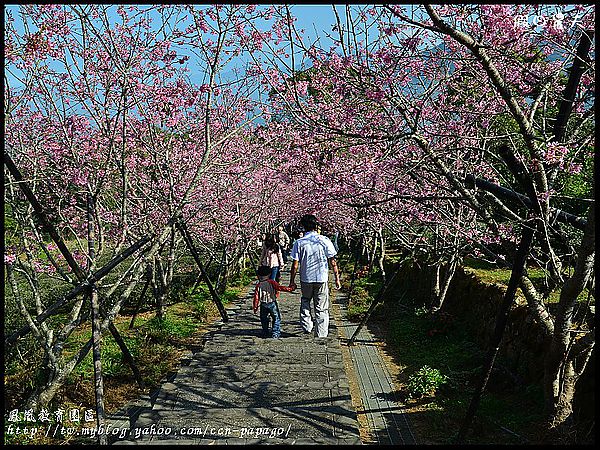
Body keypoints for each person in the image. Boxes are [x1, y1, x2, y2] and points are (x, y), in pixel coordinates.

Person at [289, 214, 341, 338]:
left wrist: (292, 280)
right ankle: (321, 334)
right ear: (316, 225)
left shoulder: (299, 243)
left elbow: (295, 265)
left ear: (303, 226)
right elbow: (332, 261)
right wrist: (337, 278)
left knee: (305, 300)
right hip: (321, 278)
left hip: (306, 278)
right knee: (322, 307)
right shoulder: (324, 240)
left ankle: (307, 325)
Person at [253, 265, 295, 338]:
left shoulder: (259, 285)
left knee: (264, 319)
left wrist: (255, 306)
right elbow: (279, 288)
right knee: (276, 318)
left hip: (263, 304)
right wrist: (290, 289)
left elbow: (256, 297)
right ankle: (275, 333)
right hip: (272, 302)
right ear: (269, 274)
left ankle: (265, 332)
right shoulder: (271, 282)